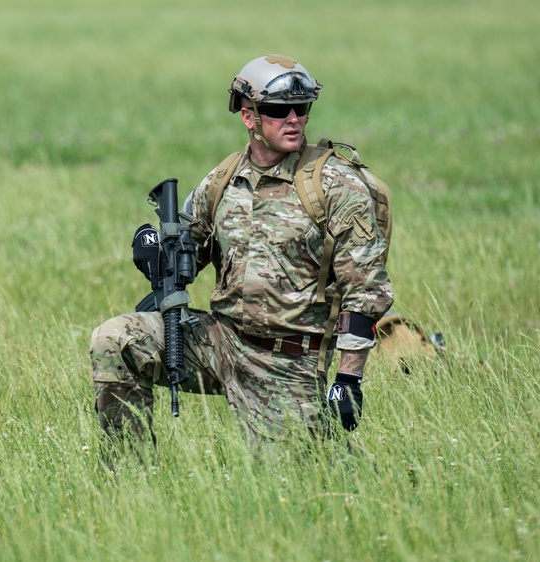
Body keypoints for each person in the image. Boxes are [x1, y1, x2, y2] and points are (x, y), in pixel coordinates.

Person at [89, 54, 394, 453]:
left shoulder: (335, 184)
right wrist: (153, 249)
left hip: (289, 363)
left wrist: (349, 381)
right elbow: (187, 247)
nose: (293, 119)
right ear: (248, 117)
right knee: (115, 339)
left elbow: (365, 290)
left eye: (301, 109)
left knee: (302, 485)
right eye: (277, 110)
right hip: (222, 341)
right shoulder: (224, 179)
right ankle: (128, 478)